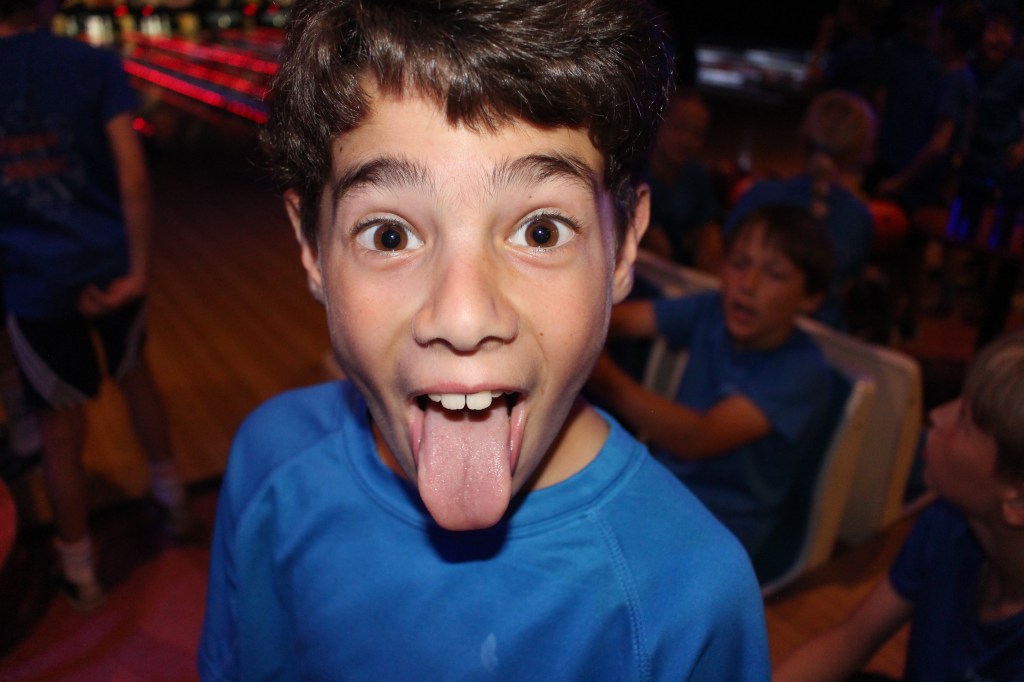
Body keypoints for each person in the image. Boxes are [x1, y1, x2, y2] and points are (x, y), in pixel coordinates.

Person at [198, 1, 769, 679]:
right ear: (312, 246)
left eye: (541, 232)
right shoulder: (270, 464)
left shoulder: (692, 599)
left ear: (622, 248)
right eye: (389, 235)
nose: (465, 317)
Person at [0, 0, 190, 612]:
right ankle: (174, 503)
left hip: (33, 279)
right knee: (137, 377)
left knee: (59, 428)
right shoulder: (92, 62)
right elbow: (133, 175)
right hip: (109, 263)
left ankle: (79, 570)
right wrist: (137, 270)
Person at [586, 204, 833, 577]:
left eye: (774, 274)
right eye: (739, 263)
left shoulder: (802, 371)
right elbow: (613, 321)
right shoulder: (711, 309)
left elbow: (696, 437)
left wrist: (601, 376)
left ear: (810, 298)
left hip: (724, 526)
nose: (748, 284)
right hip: (665, 490)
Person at [774, 330, 1024, 682]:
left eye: (965, 420)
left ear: (1018, 499)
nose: (937, 415)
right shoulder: (945, 523)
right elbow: (853, 639)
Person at [725, 91, 876, 330]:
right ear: (860, 152)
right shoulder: (860, 218)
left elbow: (725, 262)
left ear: (803, 138)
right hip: (824, 337)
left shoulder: (759, 195)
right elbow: (847, 285)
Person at [641, 88, 722, 271]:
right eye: (679, 128)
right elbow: (658, 247)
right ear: (657, 124)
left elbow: (708, 236)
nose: (687, 140)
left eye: (697, 134)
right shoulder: (635, 170)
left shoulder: (697, 176)